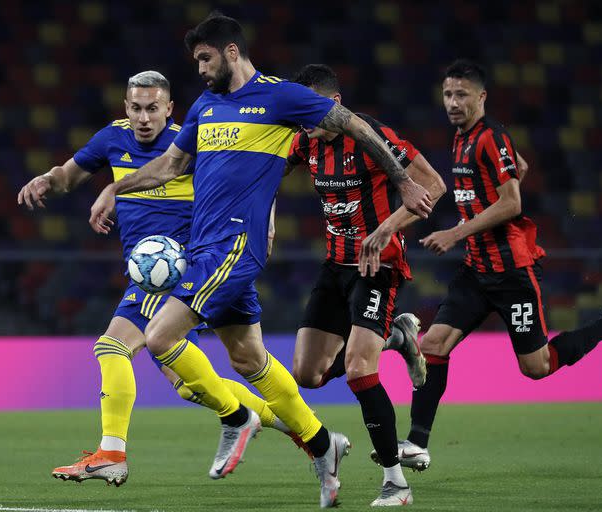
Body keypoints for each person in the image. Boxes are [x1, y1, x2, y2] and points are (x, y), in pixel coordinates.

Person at [88, 13, 433, 508]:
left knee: (161, 336)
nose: (200, 69)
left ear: (231, 52)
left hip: (232, 246)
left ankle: (236, 417)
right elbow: (170, 165)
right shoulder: (207, 106)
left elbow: (352, 123)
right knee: (248, 359)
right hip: (202, 249)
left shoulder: (280, 96)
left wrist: (400, 180)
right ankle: (323, 445)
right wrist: (115, 188)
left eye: (205, 58)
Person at [17, 70, 303, 487]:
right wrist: (46, 179)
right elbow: (68, 175)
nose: (144, 117)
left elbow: (251, 179)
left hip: (181, 265)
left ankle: (112, 452)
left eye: (153, 108)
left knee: (113, 345)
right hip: (149, 271)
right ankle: (301, 430)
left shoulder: (192, 140)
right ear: (126, 108)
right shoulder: (113, 138)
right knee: (188, 385)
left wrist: (269, 225)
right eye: (136, 108)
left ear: (170, 109)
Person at [375, 59, 602, 472]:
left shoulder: (491, 136)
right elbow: (514, 170)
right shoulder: (462, 138)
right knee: (433, 345)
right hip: (476, 271)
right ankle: (417, 442)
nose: (452, 102)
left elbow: (513, 202)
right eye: (448, 94)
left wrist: (455, 232)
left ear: (481, 97)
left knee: (536, 368)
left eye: (462, 95)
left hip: (512, 272)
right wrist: (511, 171)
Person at [284, 64, 446, 506]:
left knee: (358, 368)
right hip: (334, 265)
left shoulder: (372, 136)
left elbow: (432, 184)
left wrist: (387, 228)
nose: (302, 122)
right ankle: (396, 337)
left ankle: (396, 482)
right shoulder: (305, 139)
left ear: (334, 105)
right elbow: (265, 176)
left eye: (309, 111)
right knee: (308, 374)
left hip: (379, 266)